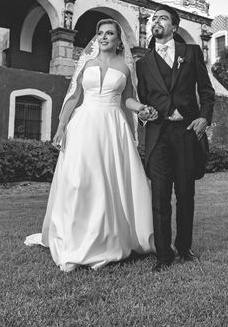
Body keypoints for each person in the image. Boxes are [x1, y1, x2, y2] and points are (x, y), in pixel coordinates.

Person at [25, 19, 155, 271]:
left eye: (109, 34)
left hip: (112, 126)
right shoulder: (86, 63)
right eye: (100, 33)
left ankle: (108, 239)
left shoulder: (126, 68)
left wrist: (142, 109)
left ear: (119, 41)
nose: (103, 37)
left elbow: (128, 99)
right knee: (78, 179)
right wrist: (61, 127)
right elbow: (73, 97)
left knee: (108, 181)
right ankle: (74, 238)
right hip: (84, 124)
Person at [135, 6, 215, 272]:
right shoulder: (143, 63)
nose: (155, 22)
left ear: (174, 26)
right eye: (152, 19)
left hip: (186, 132)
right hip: (158, 134)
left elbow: (206, 90)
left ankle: (184, 248)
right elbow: (144, 100)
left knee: (185, 194)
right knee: (159, 196)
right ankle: (162, 255)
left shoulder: (190, 53)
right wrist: (143, 115)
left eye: (162, 18)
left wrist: (204, 117)